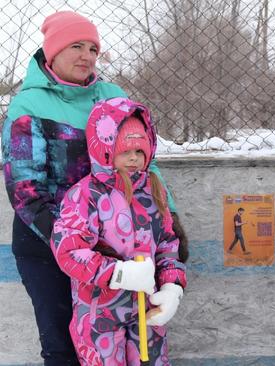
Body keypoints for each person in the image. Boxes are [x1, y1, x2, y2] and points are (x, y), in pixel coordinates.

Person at [0, 11, 185, 364]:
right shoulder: (28, 106)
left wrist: (168, 215)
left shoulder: (111, 96)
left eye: (93, 49)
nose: (87, 56)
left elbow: (146, 161)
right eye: (76, 46)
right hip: (48, 243)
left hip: (121, 241)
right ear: (52, 52)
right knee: (65, 345)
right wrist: (83, 247)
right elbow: (25, 191)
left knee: (134, 341)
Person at [50, 97, 187, 364]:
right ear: (105, 149)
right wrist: (118, 273)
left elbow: (168, 245)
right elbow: (68, 250)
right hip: (99, 315)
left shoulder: (153, 191)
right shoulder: (86, 195)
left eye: (140, 150)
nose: (134, 158)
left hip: (147, 312)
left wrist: (172, 287)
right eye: (125, 151)